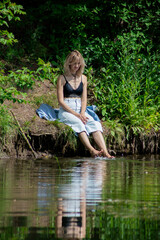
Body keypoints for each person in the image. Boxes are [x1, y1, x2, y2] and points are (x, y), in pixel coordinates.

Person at [57, 50, 114, 158]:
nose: (76, 66)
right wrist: (77, 115)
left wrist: (82, 113)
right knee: (79, 124)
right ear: (69, 63)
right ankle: (92, 150)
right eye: (74, 63)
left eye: (79, 64)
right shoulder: (62, 78)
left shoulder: (84, 78)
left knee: (95, 124)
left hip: (80, 108)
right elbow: (60, 101)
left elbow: (84, 99)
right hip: (66, 109)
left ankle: (106, 153)